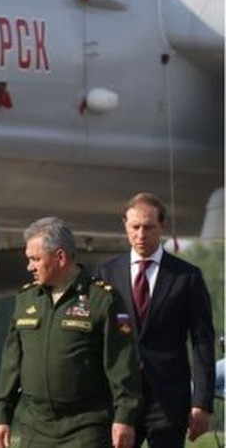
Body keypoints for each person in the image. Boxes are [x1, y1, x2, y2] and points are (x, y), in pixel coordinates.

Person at [0, 217, 142, 448]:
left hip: (85, 428)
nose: (29, 267)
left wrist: (125, 418)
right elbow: (12, 363)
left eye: (35, 259)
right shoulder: (25, 299)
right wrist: (2, 415)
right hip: (35, 427)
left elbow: (122, 365)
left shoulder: (103, 300)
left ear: (60, 257)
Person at [95, 192, 216, 447]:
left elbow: (202, 341)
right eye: (135, 227)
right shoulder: (106, 273)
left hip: (168, 400)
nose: (141, 234)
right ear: (125, 226)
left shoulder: (186, 277)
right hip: (118, 398)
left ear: (163, 226)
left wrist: (202, 402)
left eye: (148, 227)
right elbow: (96, 337)